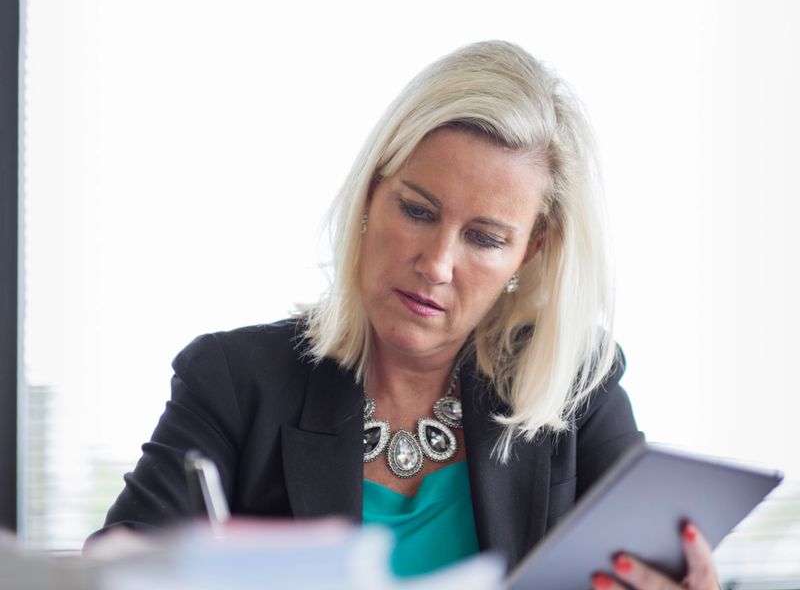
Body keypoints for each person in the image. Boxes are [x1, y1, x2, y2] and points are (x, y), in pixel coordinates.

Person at [89, 41, 720, 587]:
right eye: (418, 210)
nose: (437, 263)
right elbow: (112, 573)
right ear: (370, 194)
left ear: (531, 252)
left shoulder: (578, 385)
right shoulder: (233, 380)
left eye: (485, 239)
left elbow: (659, 565)